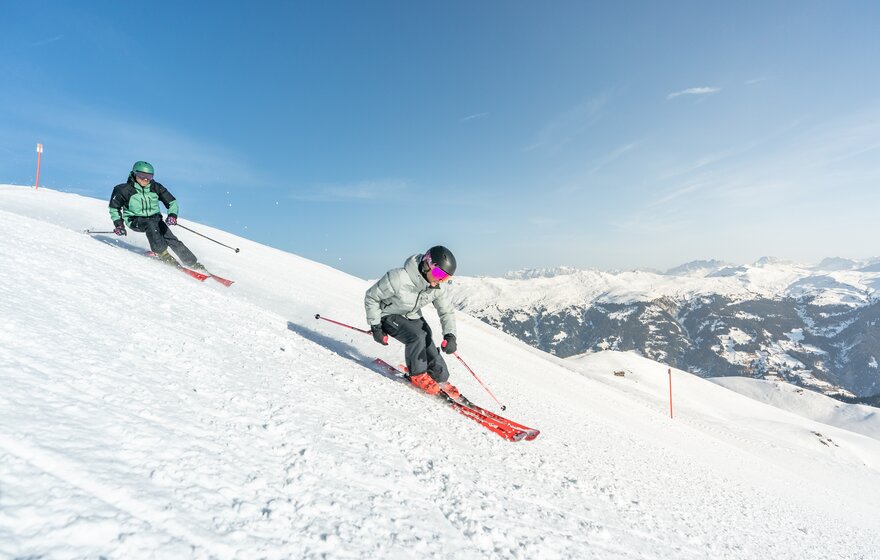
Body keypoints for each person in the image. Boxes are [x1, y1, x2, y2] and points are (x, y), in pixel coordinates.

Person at [365, 245, 461, 399]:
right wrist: (375, 326)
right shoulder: (398, 278)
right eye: (438, 274)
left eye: (446, 278)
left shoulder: (436, 286)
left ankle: (439, 377)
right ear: (427, 264)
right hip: (388, 315)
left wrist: (450, 335)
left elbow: (446, 311)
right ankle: (418, 374)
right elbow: (371, 297)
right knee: (416, 336)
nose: (440, 280)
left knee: (426, 335)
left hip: (411, 315)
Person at [108, 161, 205, 270]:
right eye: (142, 176)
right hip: (135, 220)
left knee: (171, 238)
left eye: (149, 177)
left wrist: (172, 215)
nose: (145, 179)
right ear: (134, 174)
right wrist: (119, 225)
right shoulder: (123, 189)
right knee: (151, 225)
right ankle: (162, 254)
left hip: (155, 219)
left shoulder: (155, 187)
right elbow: (114, 208)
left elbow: (172, 202)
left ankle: (192, 263)